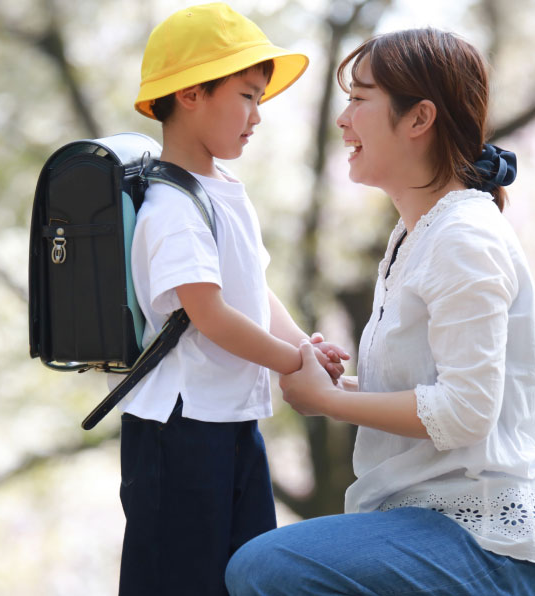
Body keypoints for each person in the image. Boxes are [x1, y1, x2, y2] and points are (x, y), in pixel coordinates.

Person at [224, 28, 535, 595]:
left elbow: (466, 412)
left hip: (483, 548)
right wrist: (338, 384)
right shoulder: (415, 236)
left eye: (359, 99)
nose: (343, 119)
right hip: (421, 524)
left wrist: (329, 402)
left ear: (418, 118)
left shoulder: (464, 238)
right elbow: (434, 394)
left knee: (264, 567)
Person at [116, 4, 351, 596]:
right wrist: (290, 363)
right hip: (180, 430)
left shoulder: (222, 191)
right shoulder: (170, 207)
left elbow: (253, 289)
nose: (257, 116)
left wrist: (304, 347)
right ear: (192, 93)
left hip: (231, 422)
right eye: (246, 95)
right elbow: (209, 314)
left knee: (247, 577)